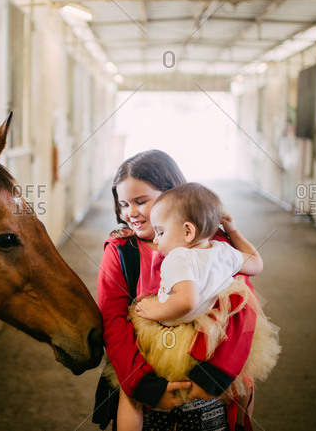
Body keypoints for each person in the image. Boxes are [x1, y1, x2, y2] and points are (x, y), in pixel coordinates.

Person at [94, 150, 259, 431]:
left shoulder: (212, 242)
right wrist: (144, 385)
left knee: (244, 386)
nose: (131, 213)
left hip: (210, 367)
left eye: (141, 201)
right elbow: (113, 319)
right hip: (147, 366)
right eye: (123, 204)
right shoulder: (122, 251)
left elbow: (241, 307)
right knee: (128, 399)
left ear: (173, 194)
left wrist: (213, 376)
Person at [116, 182, 279, 431]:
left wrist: (153, 311)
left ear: (188, 232)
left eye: (160, 232)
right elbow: (256, 264)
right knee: (244, 381)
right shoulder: (224, 250)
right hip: (214, 333)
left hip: (174, 334)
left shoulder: (178, 257)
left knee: (129, 395)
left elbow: (186, 301)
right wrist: (233, 231)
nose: (157, 242)